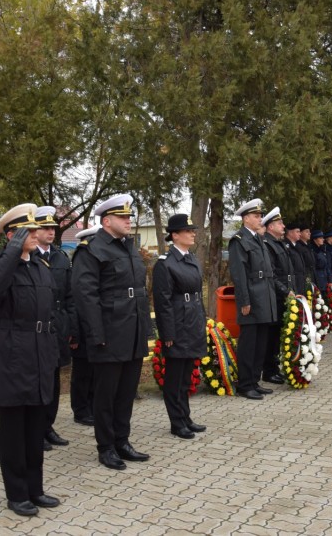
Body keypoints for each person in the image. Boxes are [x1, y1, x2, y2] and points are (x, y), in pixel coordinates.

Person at [0, 204, 60, 516]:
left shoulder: (41, 267)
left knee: (34, 427)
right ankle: (16, 494)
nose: (37, 234)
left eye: (36, 229)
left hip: (40, 352)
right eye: (29, 230)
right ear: (12, 235)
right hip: (13, 354)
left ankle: (35, 489)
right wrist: (12, 254)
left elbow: (50, 309)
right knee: (13, 430)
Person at [72, 194, 152, 470]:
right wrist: (96, 333)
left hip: (132, 329)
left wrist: (145, 329)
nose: (129, 221)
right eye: (123, 217)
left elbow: (139, 291)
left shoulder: (128, 247)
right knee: (106, 394)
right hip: (109, 330)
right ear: (107, 221)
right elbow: (86, 295)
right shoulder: (91, 249)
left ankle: (122, 440)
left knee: (126, 391)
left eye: (129, 216)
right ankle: (105, 447)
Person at [151, 214, 207, 440]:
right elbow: (162, 302)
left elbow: (198, 295)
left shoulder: (191, 259)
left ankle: (185, 417)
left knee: (186, 376)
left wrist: (202, 321)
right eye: (188, 231)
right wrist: (168, 334)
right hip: (178, 323)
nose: (193, 233)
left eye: (193, 230)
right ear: (175, 235)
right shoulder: (165, 263)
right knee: (174, 378)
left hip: (193, 321)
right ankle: (176, 422)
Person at [31, 205, 76, 452]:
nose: (50, 232)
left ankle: (48, 426)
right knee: (39, 378)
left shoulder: (60, 257)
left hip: (58, 324)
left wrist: (71, 327)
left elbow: (70, 296)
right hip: (38, 324)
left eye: (52, 228)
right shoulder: (28, 256)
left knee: (55, 378)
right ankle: (36, 430)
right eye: (45, 228)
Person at [227, 198, 277, 400]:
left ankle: (254, 381)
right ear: (246, 218)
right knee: (249, 343)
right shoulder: (239, 240)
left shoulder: (258, 239)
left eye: (260, 216)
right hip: (252, 298)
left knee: (261, 343)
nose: (260, 219)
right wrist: (244, 301)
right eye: (256, 216)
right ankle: (245, 384)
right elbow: (239, 274)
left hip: (265, 297)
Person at [261, 207, 294, 385]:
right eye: (280, 223)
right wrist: (285, 291)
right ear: (270, 226)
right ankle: (269, 370)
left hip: (283, 295)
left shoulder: (279, 243)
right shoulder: (267, 244)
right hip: (275, 296)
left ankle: (274, 367)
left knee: (278, 333)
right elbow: (272, 275)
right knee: (272, 335)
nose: (283, 226)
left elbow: (287, 272)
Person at [69, 226, 98, 427]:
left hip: (94, 327)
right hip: (81, 326)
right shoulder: (82, 260)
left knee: (94, 372)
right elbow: (76, 302)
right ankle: (80, 409)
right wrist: (75, 334)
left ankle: (91, 406)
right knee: (82, 373)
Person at [284, 222, 308, 295]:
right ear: (290, 233)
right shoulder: (286, 247)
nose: (300, 234)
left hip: (300, 283)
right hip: (293, 285)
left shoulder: (297, 246)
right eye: (297, 232)